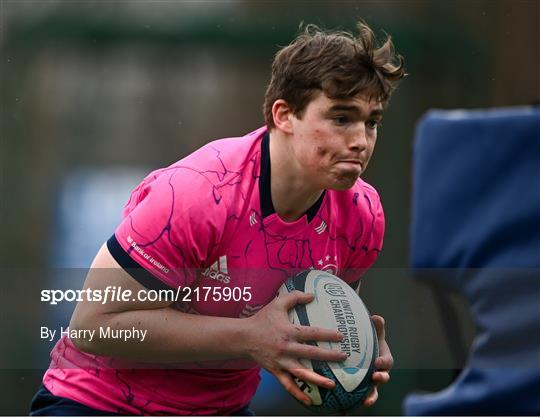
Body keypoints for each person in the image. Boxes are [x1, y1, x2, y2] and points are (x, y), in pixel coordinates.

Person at [30, 21, 406, 416]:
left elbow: (308, 332)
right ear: (284, 115)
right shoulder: (200, 194)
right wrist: (250, 336)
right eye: (341, 118)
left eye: (371, 122)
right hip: (96, 404)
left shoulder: (362, 217)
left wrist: (352, 358)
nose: (361, 140)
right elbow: (93, 325)